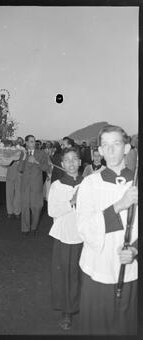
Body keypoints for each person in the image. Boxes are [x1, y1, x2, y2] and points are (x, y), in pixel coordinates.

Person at [76, 125, 138, 335]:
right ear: (99, 151)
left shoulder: (137, 183)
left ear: (127, 148)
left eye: (116, 144)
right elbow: (83, 227)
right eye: (105, 145)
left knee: (124, 327)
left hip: (128, 269)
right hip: (98, 266)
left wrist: (136, 250)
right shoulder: (90, 183)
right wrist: (118, 206)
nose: (111, 150)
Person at [48, 147, 83, 330]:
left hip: (85, 236)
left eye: (74, 159)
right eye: (67, 160)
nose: (71, 163)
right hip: (65, 236)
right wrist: (72, 202)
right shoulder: (57, 185)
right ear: (61, 164)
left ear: (79, 162)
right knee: (66, 275)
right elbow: (52, 211)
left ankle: (85, 307)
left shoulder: (88, 184)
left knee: (83, 274)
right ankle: (67, 311)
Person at [18, 135, 49, 235]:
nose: (33, 143)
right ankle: (25, 228)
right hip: (25, 185)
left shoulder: (41, 153)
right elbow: (20, 169)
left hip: (36, 185)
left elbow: (46, 168)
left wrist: (36, 162)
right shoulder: (23, 154)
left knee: (37, 207)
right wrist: (23, 158)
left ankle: (34, 227)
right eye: (31, 141)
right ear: (26, 143)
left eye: (34, 141)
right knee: (25, 207)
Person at [6, 137, 24, 218]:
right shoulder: (11, 150)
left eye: (20, 142)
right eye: (17, 141)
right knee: (9, 193)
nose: (18, 143)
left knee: (18, 194)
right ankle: (10, 211)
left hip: (20, 174)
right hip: (10, 173)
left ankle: (17, 212)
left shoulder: (24, 151)